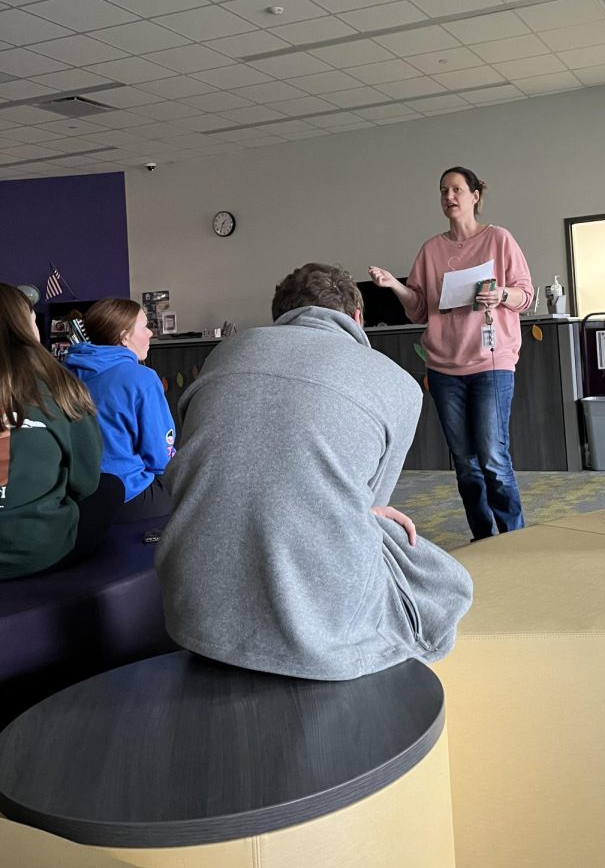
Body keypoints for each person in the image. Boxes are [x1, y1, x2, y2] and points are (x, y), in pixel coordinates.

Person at [155, 262, 473, 680]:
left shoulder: (224, 353)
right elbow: (374, 508)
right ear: (357, 318)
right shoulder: (398, 383)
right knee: (446, 581)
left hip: (190, 616)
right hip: (319, 641)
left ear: (281, 316)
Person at [370, 166, 534, 541]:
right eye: (443, 191)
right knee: (465, 463)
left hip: (492, 361)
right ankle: (483, 538)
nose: (449, 197)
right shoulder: (431, 250)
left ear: (475, 195)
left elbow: (525, 294)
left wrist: (501, 295)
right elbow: (418, 308)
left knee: (493, 457)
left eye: (457, 189)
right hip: (445, 368)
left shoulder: (499, 239)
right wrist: (395, 285)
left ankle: (516, 538)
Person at [0, 283, 105, 579]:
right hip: (37, 550)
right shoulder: (60, 386)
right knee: (111, 487)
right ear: (25, 327)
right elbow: (85, 482)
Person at [66, 299, 175, 520]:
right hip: (128, 495)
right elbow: (161, 457)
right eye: (144, 327)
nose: (150, 334)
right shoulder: (141, 378)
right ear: (125, 336)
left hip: (76, 498)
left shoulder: (64, 372)